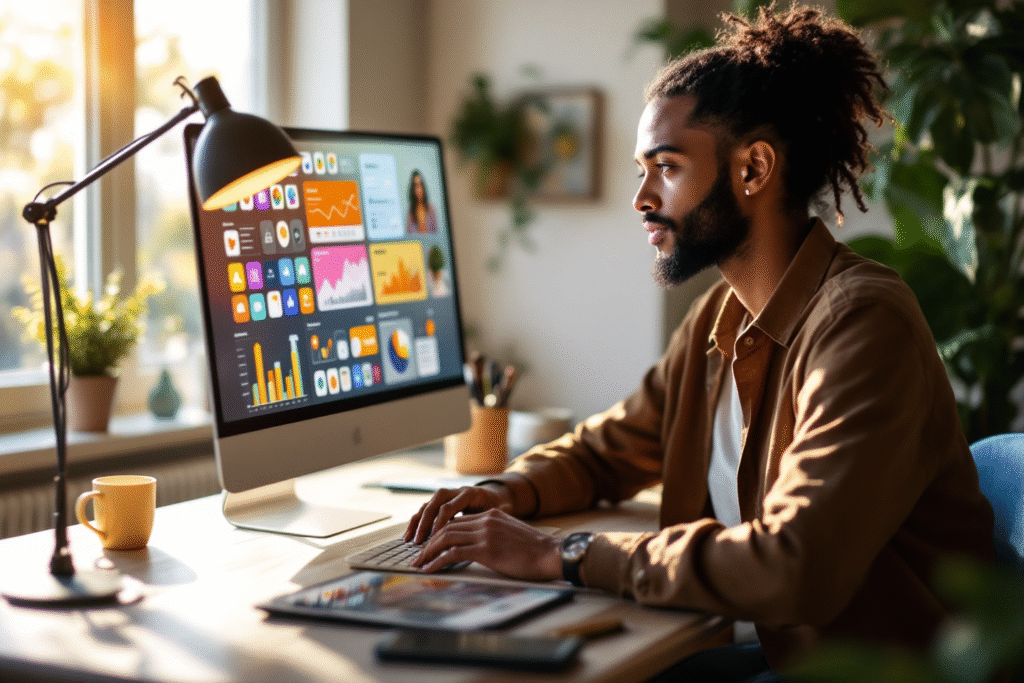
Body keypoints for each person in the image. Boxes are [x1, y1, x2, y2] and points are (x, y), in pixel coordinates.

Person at [405, 4, 995, 680]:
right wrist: (507, 493)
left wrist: (563, 554)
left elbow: (795, 565)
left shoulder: (863, 326)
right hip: (779, 647)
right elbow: (609, 449)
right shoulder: (720, 317)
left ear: (753, 169)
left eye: (666, 167)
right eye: (641, 170)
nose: (642, 199)